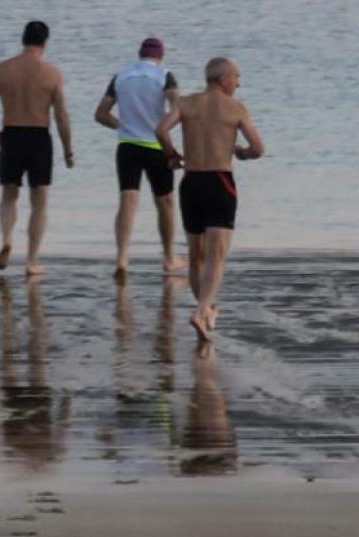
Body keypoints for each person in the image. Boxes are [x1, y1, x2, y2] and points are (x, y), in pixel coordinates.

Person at [156, 57, 264, 341]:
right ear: (223, 79)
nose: (238, 83)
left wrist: (171, 154)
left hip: (191, 183)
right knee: (217, 256)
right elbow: (259, 147)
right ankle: (202, 309)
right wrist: (242, 153)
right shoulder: (236, 108)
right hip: (220, 183)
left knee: (196, 256)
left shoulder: (186, 103)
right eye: (236, 77)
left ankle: (205, 312)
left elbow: (161, 130)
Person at [0, 20, 74, 276]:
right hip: (38, 137)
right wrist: (68, 150)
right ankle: (32, 261)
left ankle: (7, 241)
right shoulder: (52, 73)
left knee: (9, 194)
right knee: (39, 201)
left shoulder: (3, 69)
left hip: (11, 135)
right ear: (45, 42)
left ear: (23, 40)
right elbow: (62, 116)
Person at [95, 38, 186, 277]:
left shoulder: (121, 76)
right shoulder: (165, 75)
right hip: (156, 146)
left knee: (128, 201)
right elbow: (178, 106)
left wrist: (123, 125)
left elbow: (101, 114)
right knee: (165, 202)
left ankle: (122, 259)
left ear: (140, 54)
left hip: (127, 146)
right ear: (161, 56)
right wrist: (167, 130)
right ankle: (169, 258)